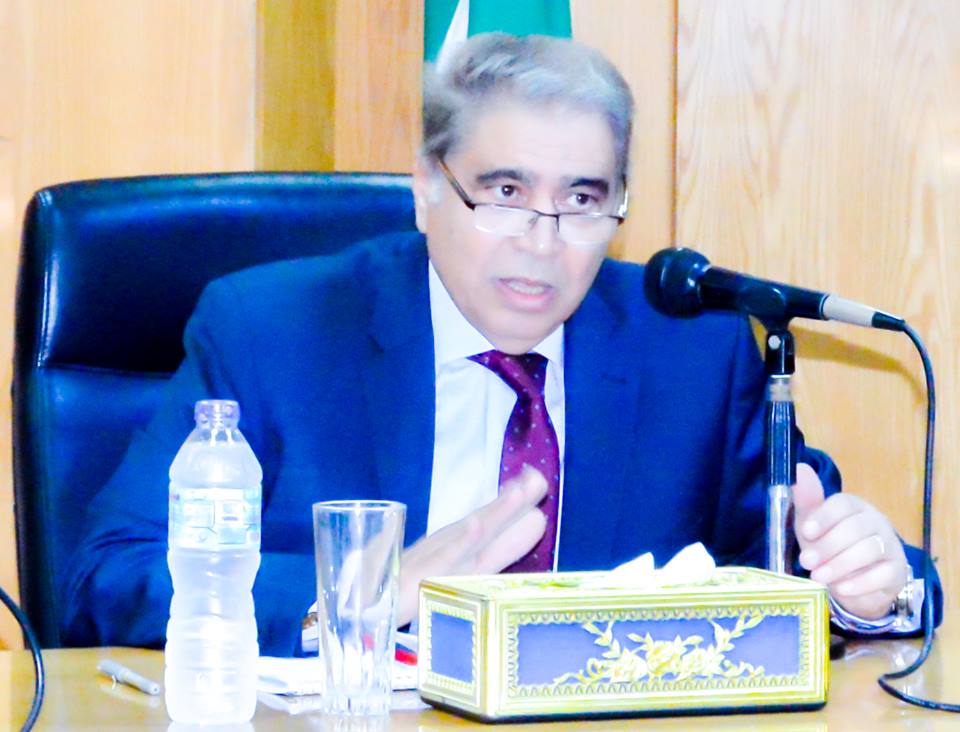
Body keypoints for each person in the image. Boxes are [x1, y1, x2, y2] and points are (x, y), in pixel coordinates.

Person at [64, 33, 938, 656]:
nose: (542, 239)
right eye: (506, 192)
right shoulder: (272, 332)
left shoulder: (692, 351)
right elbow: (105, 578)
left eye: (582, 199)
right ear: (426, 189)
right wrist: (354, 596)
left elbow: (812, 566)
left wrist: (874, 590)